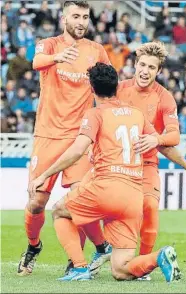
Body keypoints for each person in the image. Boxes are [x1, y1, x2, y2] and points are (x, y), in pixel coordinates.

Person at [28, 62, 181, 282]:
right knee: (121, 269)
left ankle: (80, 268)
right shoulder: (136, 114)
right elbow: (163, 145)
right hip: (133, 197)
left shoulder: (95, 114)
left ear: (92, 89)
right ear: (117, 86)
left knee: (60, 210)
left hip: (106, 187)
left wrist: (43, 175)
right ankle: (158, 257)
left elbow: (78, 150)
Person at [86, 41, 186, 280]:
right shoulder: (118, 89)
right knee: (89, 205)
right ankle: (97, 251)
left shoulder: (164, 98)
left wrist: (156, 140)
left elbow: (173, 136)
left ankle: (143, 265)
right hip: (113, 164)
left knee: (150, 207)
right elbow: (97, 119)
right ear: (134, 64)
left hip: (146, 165)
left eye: (151, 67)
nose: (145, 70)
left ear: (159, 71)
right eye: (142, 64)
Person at [18, 1, 112, 276]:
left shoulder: (96, 51)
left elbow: (108, 86)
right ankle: (33, 246)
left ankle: (82, 257)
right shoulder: (48, 45)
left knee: (78, 200)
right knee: (37, 202)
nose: (81, 21)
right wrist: (56, 58)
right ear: (64, 19)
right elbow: (35, 63)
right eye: (76, 16)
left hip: (80, 138)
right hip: (48, 134)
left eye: (85, 16)